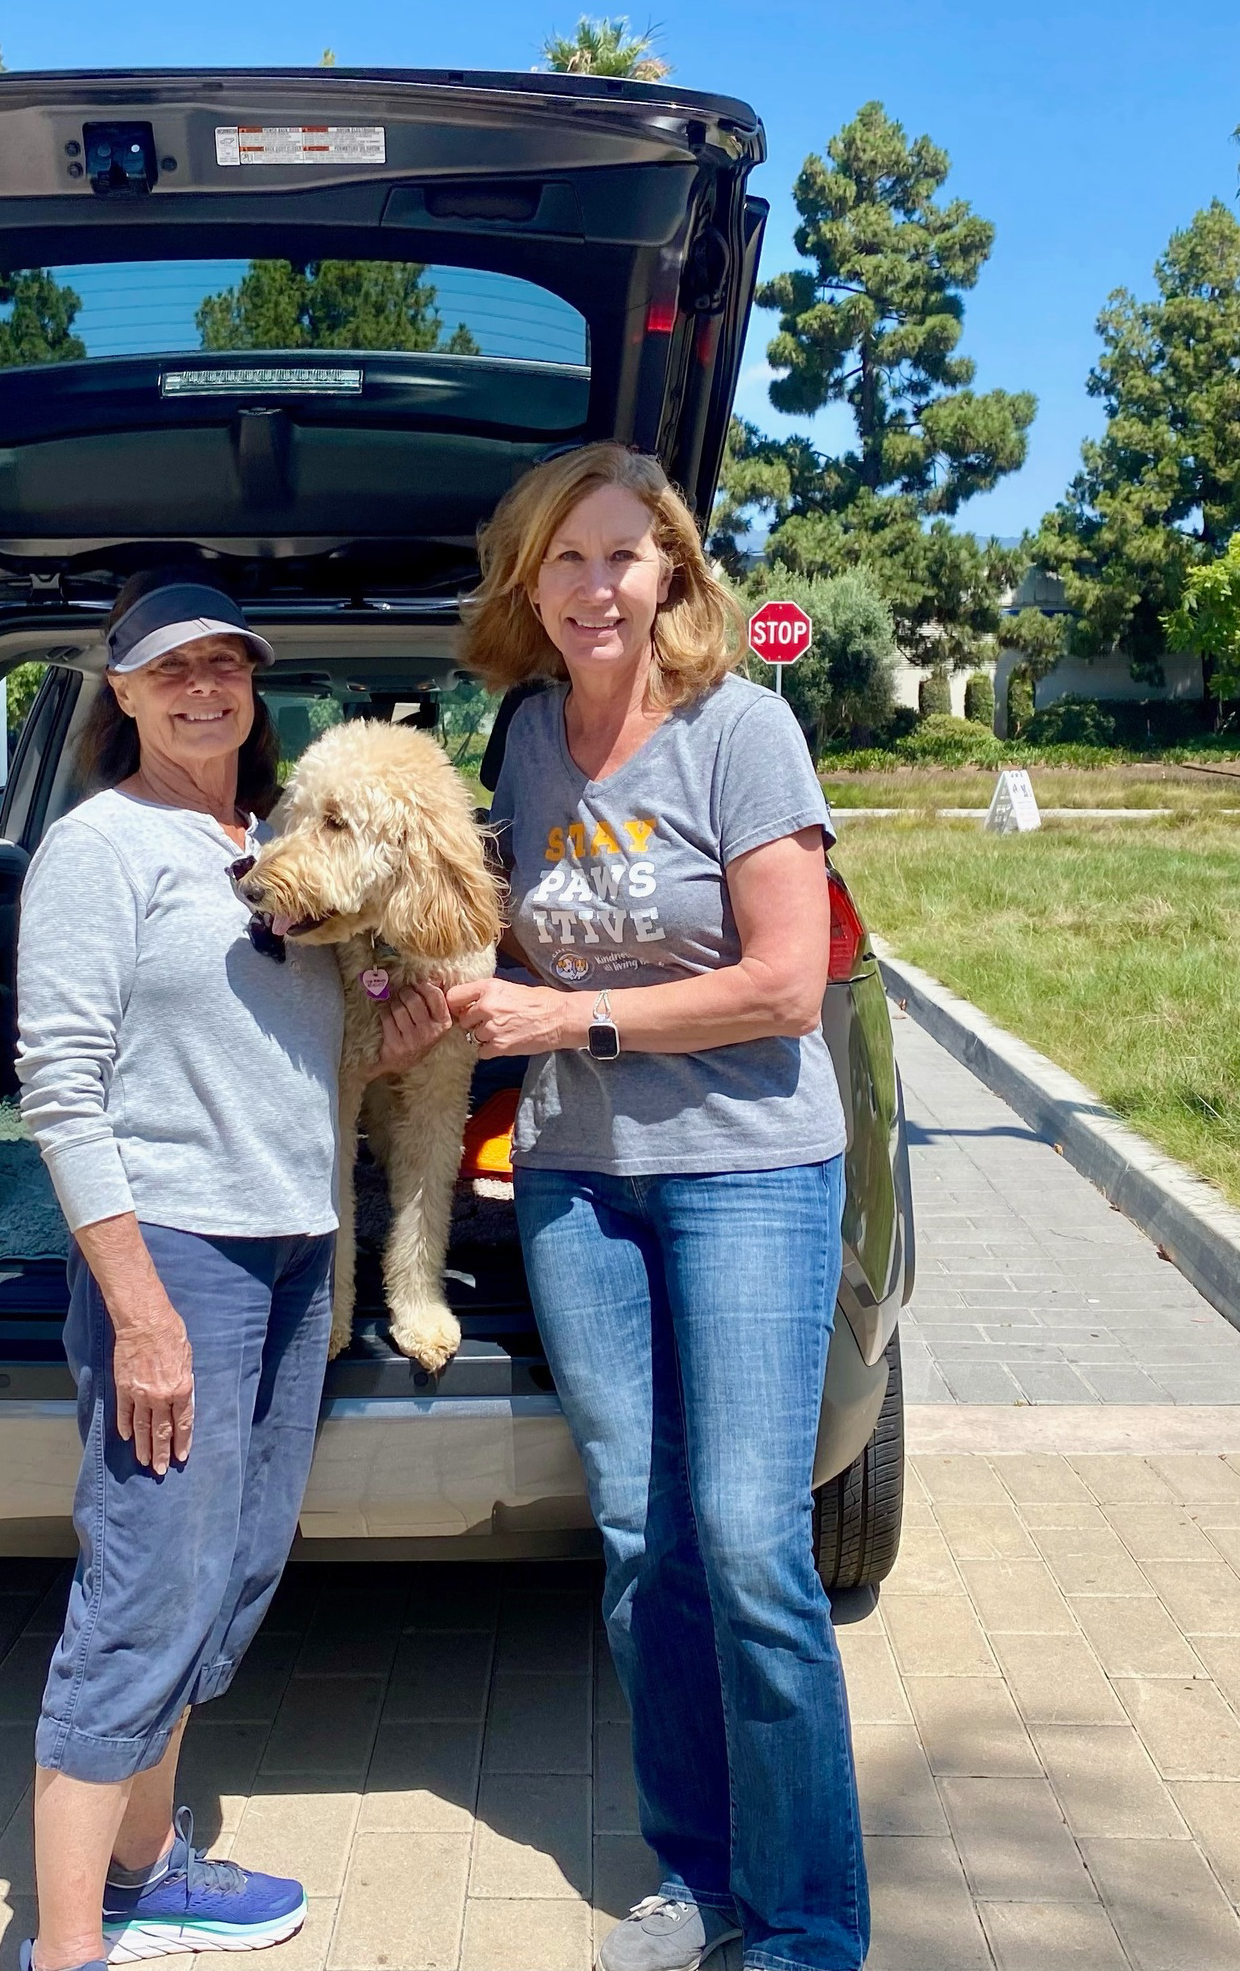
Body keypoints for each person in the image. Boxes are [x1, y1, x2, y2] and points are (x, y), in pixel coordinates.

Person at [448, 445, 867, 1971]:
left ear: (674, 576)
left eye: (623, 555)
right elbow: (498, 935)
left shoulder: (742, 733)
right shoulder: (524, 739)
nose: (594, 586)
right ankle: (702, 1878)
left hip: (750, 1168)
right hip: (580, 1186)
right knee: (640, 1536)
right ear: (527, 584)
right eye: (563, 559)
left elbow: (785, 982)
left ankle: (810, 1928)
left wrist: (571, 1025)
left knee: (753, 1542)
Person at [14, 569, 448, 1971]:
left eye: (227, 667)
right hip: (178, 1260)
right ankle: (70, 1945)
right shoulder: (101, 851)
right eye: (171, 668)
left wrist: (407, 1030)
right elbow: (61, 1089)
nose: (204, 688)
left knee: (230, 1574)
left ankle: (150, 1875)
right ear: (122, 693)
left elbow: (305, 1062)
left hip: (292, 1252)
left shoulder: (271, 848)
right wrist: (139, 1311)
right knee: (145, 1593)